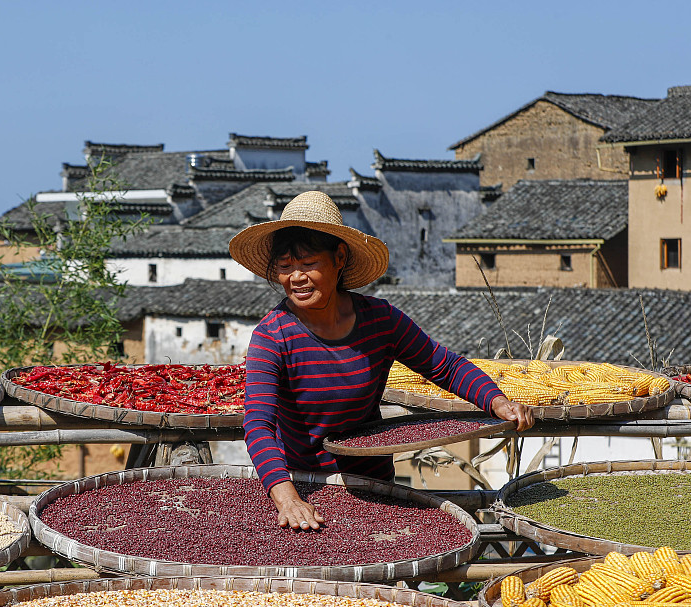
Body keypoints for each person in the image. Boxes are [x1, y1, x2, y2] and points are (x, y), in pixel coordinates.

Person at [228, 190, 534, 531]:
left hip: (375, 486)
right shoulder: (273, 336)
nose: (295, 278)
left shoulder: (380, 320)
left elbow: (442, 364)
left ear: (339, 258)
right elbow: (257, 425)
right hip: (307, 489)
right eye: (285, 267)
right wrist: (287, 498)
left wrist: (496, 400)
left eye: (308, 264)